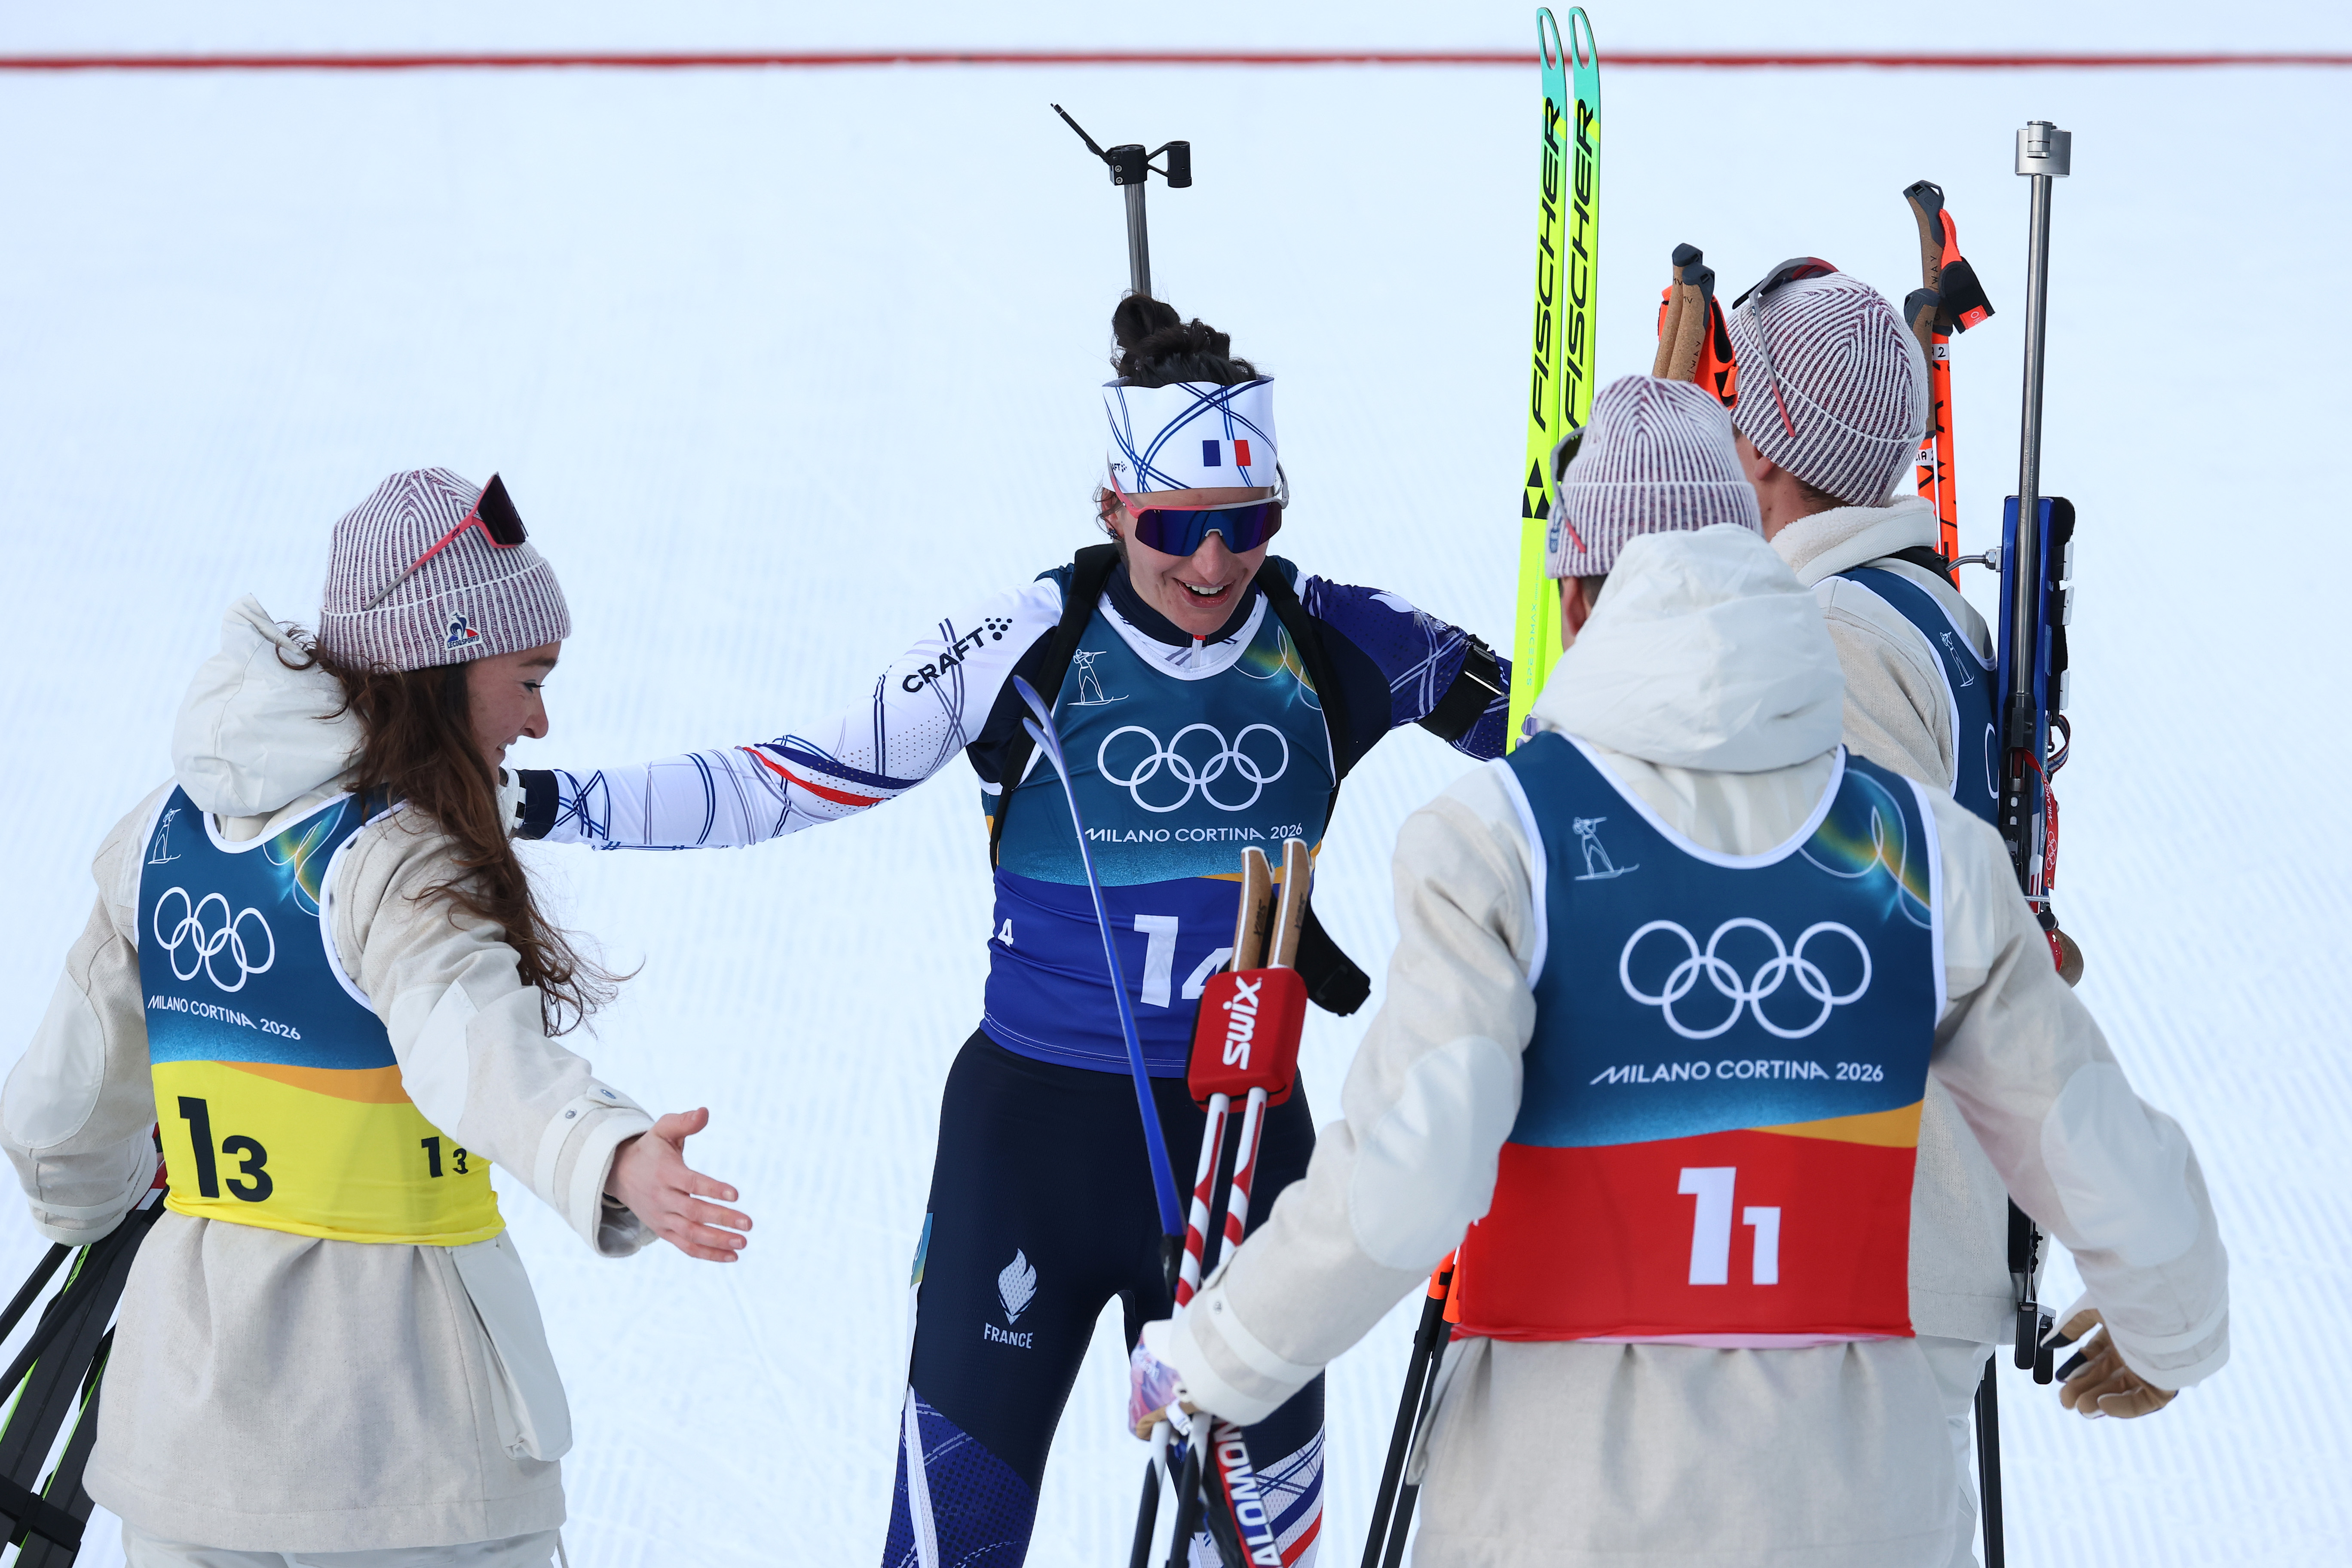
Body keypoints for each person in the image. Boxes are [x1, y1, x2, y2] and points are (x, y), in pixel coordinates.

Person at [1142, 376, 2228, 1566]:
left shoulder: (1499, 840)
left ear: (1570, 595)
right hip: (1862, 1510)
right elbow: (2087, 1130)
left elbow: (1411, 1175)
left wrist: (1217, 1361)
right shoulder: (1931, 856)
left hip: (1560, 1508)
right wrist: (2174, 1330)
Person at [510, 296, 1514, 1565]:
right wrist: (544, 800)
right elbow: (794, 776)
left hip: (1248, 1149)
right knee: (950, 1545)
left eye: (1245, 526)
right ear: (1115, 509)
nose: (1211, 566)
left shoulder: (1341, 641)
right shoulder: (1029, 644)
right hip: (1031, 1145)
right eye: (1173, 529)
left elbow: (1573, 736)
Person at [1, 468, 752, 1567]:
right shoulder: (393, 861)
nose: (543, 719)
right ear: (439, 664)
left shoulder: (159, 838)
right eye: (529, 677)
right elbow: (479, 1053)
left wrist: (109, 1209)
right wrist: (612, 1154)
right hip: (405, 1460)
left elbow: (55, 1121)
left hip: (188, 1454)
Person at [1724, 263, 2079, 1562]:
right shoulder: (1933, 609)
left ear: (1762, 438)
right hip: (1909, 1227)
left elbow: (1855, 942)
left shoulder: (1826, 632)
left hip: (1857, 1238)